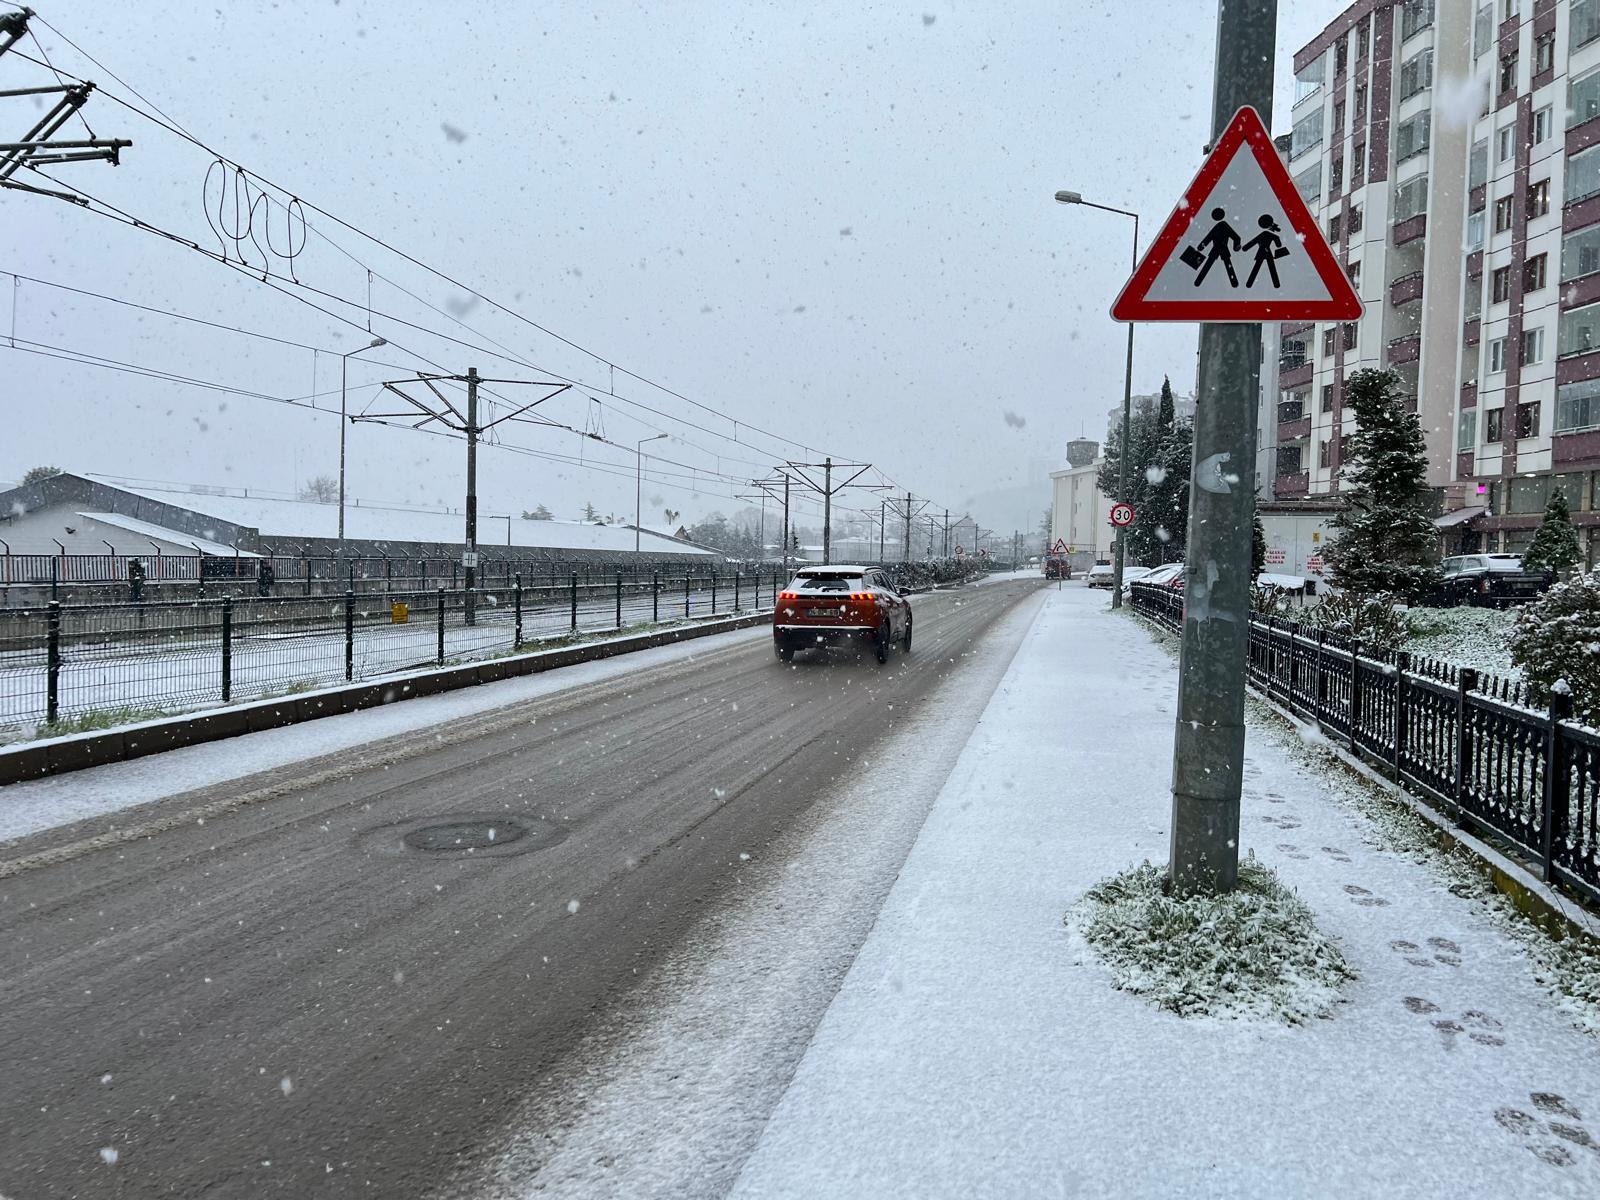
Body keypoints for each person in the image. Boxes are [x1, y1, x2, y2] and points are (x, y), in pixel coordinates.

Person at [1192, 207, 1241, 287]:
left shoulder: (1221, 226)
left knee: (1214, 264)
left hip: (1220, 249)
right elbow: (1209, 237)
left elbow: (1235, 237)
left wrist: (1201, 246)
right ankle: (1197, 282)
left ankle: (1198, 282)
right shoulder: (1221, 226)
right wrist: (1201, 246)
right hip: (1218, 249)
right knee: (1221, 264)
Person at [1243, 214, 1288, 289]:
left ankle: (1249, 284)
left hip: (1261, 253)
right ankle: (1276, 285)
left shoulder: (1264, 234)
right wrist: (1245, 248)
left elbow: (1253, 241)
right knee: (1270, 268)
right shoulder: (1269, 234)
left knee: (1258, 268)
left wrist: (1245, 248)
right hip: (1267, 253)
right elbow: (1278, 244)